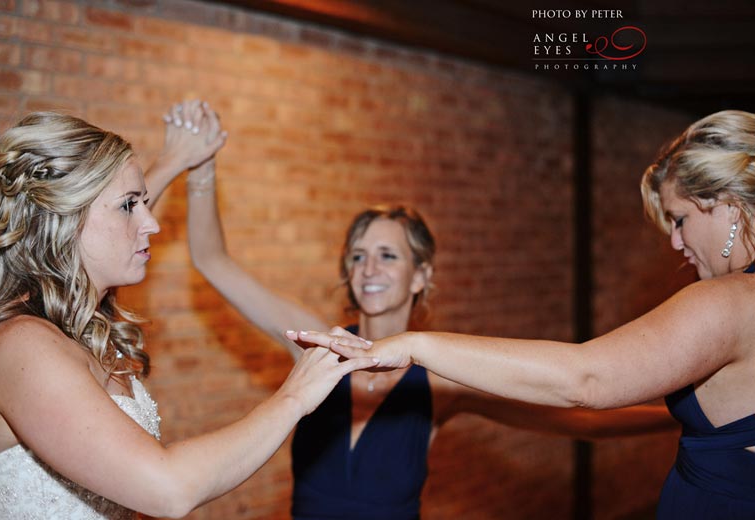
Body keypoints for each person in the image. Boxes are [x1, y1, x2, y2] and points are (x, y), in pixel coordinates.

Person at [147, 100, 678, 519]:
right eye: (357, 256)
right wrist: (202, 167)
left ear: (421, 275)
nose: (369, 268)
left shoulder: (442, 379)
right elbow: (212, 260)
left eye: (387, 255)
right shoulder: (317, 344)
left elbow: (575, 417)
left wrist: (679, 419)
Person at [298, 109, 755, 519]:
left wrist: (416, 344)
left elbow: (585, 381)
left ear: (730, 209)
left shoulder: (725, 300)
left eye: (679, 219)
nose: (675, 242)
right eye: (358, 257)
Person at [0, 111, 377, 519]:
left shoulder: (75, 331)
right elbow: (170, 489)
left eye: (144, 203)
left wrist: (180, 159)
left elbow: (111, 212)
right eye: (131, 206)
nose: (152, 223)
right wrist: (295, 396)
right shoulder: (24, 349)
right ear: (66, 217)